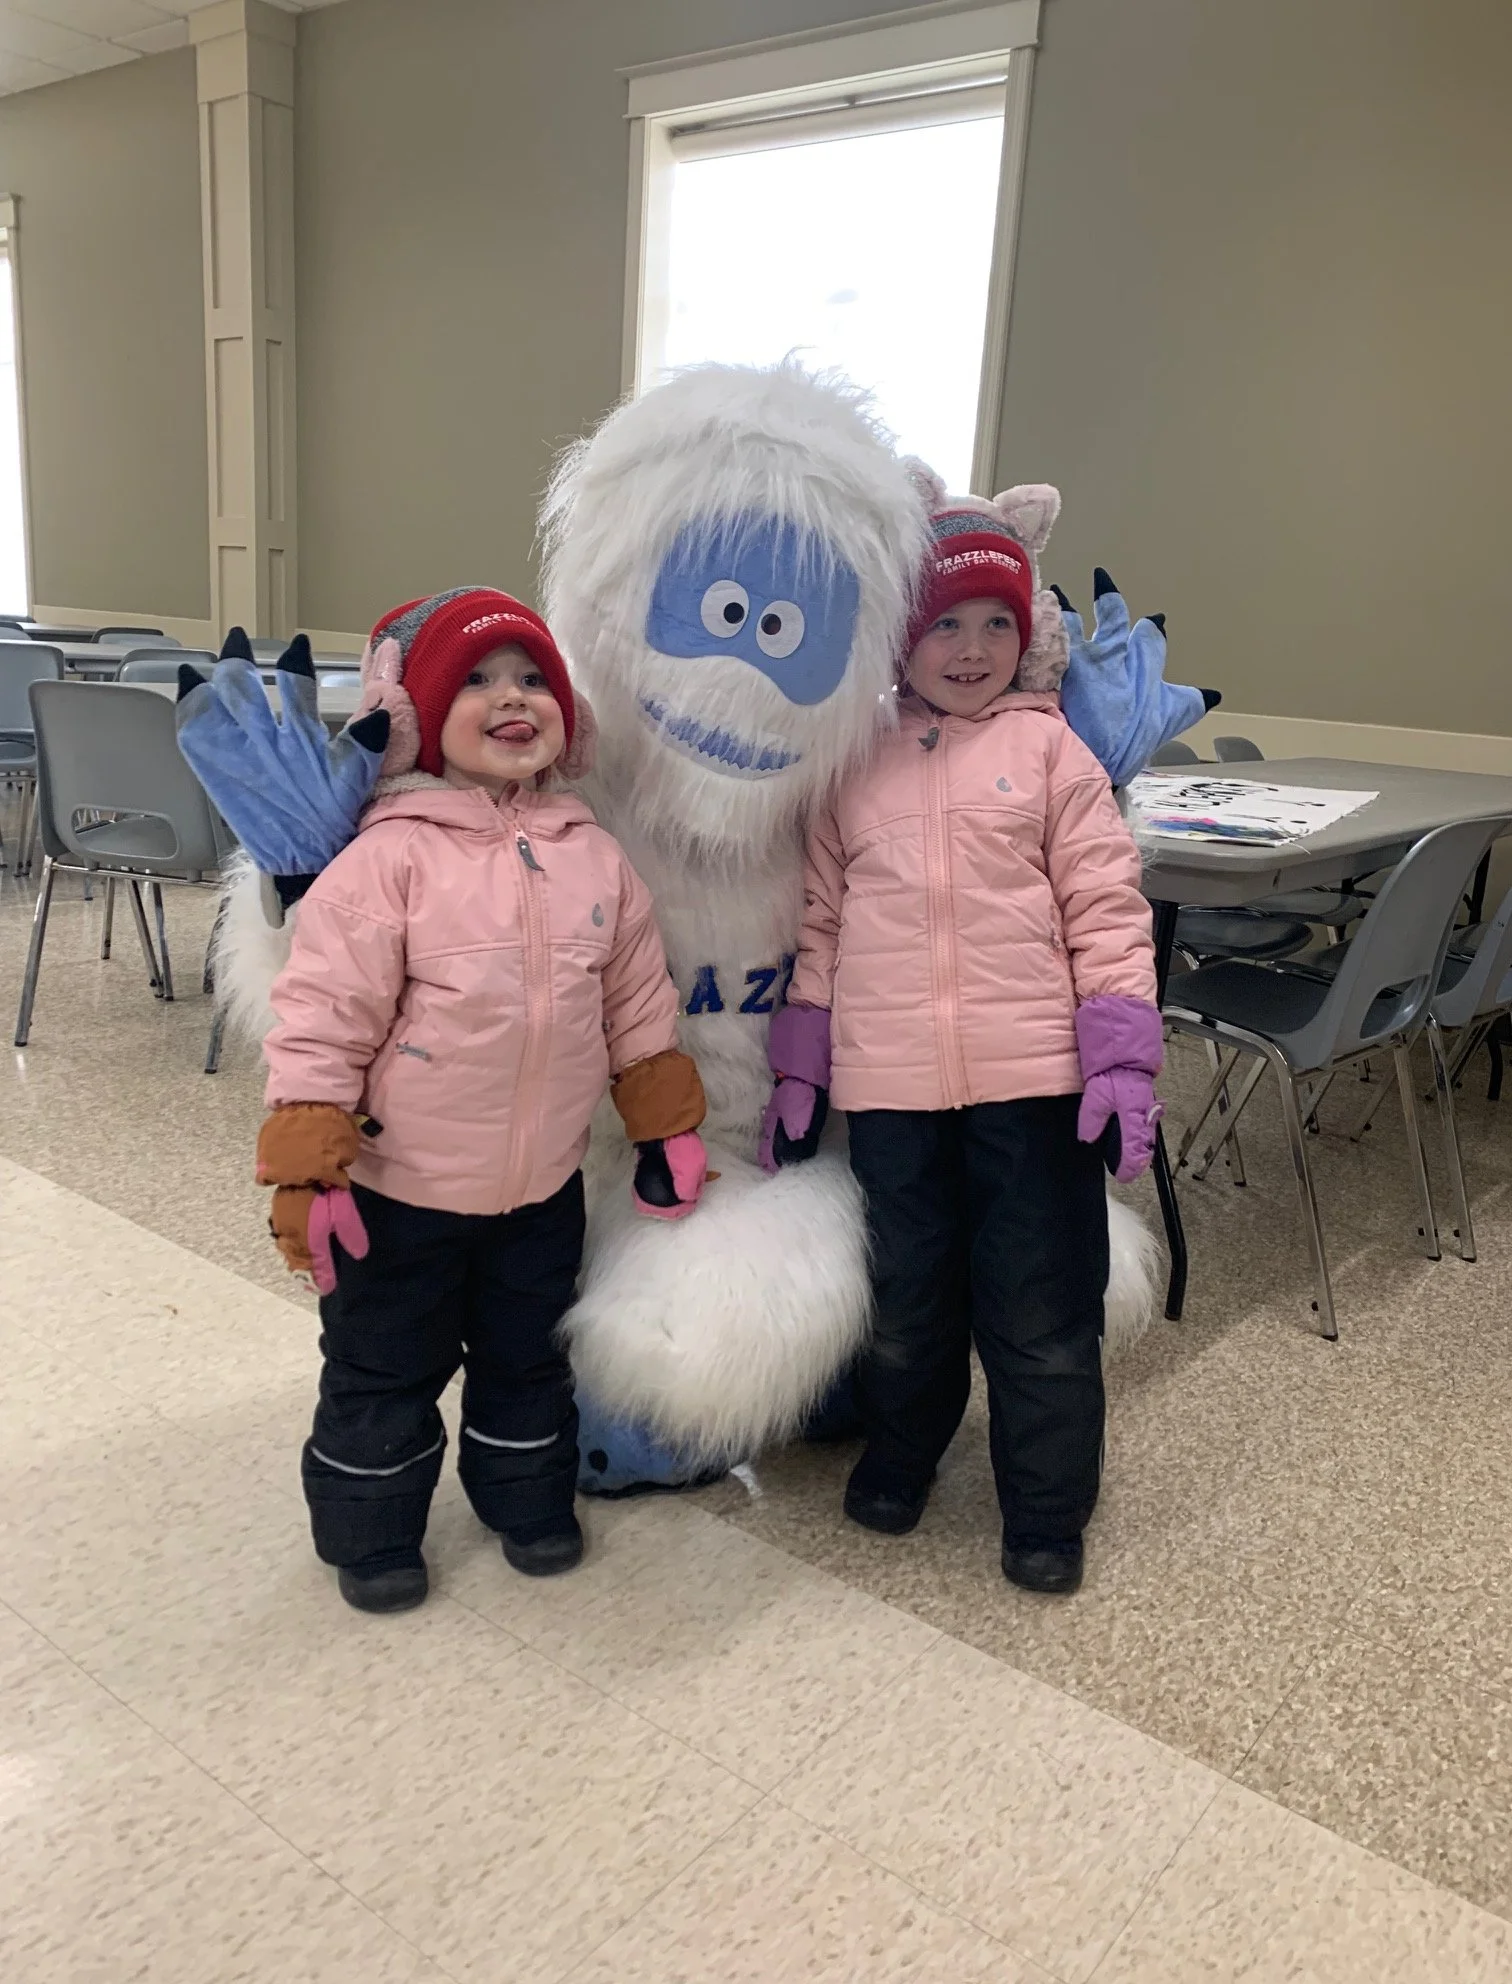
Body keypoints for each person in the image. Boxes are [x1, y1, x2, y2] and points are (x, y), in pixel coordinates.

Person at [256, 588, 708, 1614]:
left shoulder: (595, 857)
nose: (512, 698)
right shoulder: (389, 860)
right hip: (399, 1193)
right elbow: (323, 1017)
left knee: (526, 1361)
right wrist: (305, 1165)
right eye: (476, 680)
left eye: (532, 678)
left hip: (539, 1193)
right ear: (417, 716)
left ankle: (525, 1499)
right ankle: (371, 1527)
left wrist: (664, 1124)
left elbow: (637, 999)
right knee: (383, 1371)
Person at [762, 500, 1163, 1595]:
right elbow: (823, 923)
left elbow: (1108, 908)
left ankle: (1045, 1506)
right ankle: (903, 1453)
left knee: (1040, 1306)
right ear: (900, 637)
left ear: (1026, 636)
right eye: (947, 625)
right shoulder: (855, 767)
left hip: (1036, 1085)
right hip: (893, 1089)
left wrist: (1123, 1056)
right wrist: (803, 1058)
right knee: (911, 1294)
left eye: (996, 623)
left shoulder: (1051, 753)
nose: (973, 649)